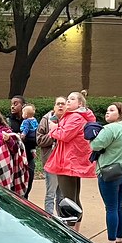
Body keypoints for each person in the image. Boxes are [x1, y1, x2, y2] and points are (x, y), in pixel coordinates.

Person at [89, 101, 122, 243]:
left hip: (110, 173)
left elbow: (95, 145)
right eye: (107, 110)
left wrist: (92, 138)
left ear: (120, 114)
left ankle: (111, 242)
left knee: (110, 207)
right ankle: (119, 239)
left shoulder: (110, 128)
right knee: (119, 206)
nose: (107, 112)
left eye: (111, 110)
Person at [45, 91, 96, 231]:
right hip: (69, 161)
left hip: (68, 162)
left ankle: (72, 232)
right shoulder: (75, 116)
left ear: (80, 104)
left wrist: (53, 128)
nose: (68, 101)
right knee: (73, 198)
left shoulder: (75, 117)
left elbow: (64, 135)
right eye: (68, 98)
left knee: (68, 200)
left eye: (72, 99)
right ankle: (75, 231)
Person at [36, 97, 67, 215]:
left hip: (65, 163)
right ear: (54, 106)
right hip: (51, 162)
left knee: (62, 195)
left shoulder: (70, 120)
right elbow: (39, 140)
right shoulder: (46, 120)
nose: (60, 106)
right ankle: (49, 218)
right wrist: (53, 134)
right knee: (51, 194)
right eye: (58, 104)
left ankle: (62, 220)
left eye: (63, 104)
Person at [19, 104, 39, 193]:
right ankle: (33, 151)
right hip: (34, 138)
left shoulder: (26, 121)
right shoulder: (34, 120)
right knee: (32, 147)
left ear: (26, 114)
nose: (22, 114)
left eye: (23, 112)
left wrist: (23, 135)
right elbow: (37, 128)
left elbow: (26, 129)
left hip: (28, 137)